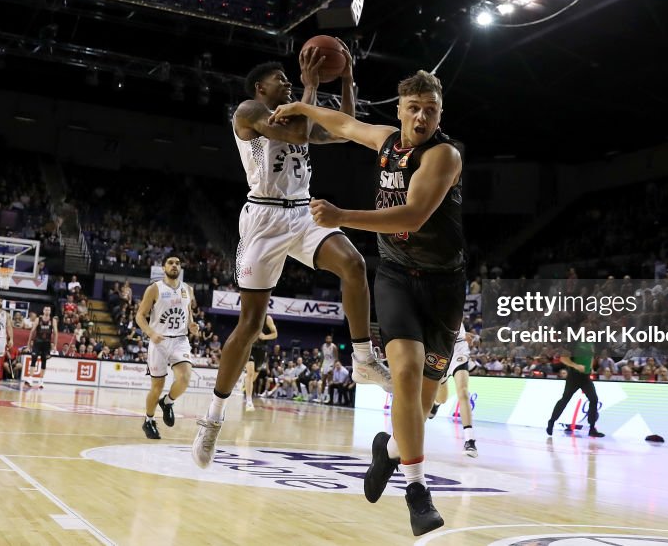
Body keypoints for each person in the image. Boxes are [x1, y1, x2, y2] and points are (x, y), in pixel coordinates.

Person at [269, 69, 464, 536]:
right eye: (413, 107)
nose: (421, 116)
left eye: (430, 109)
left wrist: (342, 217)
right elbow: (342, 125)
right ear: (399, 111)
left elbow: (414, 215)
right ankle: (417, 490)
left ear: (439, 113)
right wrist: (301, 107)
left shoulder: (444, 155)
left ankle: (390, 454)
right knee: (406, 371)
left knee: (423, 403)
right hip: (396, 275)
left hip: (444, 285)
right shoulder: (386, 141)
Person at [191, 41, 391, 468]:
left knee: (354, 264)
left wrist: (349, 79)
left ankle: (362, 360)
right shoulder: (248, 112)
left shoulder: (299, 110)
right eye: (278, 79)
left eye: (289, 78)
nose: (286, 81)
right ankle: (213, 418)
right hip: (263, 221)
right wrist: (311, 86)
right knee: (248, 325)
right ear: (260, 88)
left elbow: (345, 127)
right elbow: (299, 131)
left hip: (302, 213)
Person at [135, 257, 200, 439]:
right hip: (159, 342)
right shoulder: (154, 289)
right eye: (170, 263)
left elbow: (188, 313)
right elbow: (140, 316)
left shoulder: (188, 289)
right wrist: (150, 333)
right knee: (157, 386)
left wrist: (192, 325)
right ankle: (148, 421)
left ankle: (168, 402)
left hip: (180, 340)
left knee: (185, 377)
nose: (174, 265)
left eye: (178, 263)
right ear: (164, 267)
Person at [429, 322, 479, 457]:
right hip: (439, 350)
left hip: (458, 349)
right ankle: (436, 404)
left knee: (462, 391)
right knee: (442, 398)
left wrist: (464, 334)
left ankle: (470, 440)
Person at [545, 340, 605, 438]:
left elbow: (591, 357)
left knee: (594, 400)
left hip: (585, 378)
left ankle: (592, 428)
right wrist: (576, 366)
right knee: (565, 400)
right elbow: (563, 359)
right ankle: (552, 421)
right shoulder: (574, 343)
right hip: (574, 377)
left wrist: (590, 369)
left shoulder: (591, 344)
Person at [245, 314, 278, 411]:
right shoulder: (249, 315)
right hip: (250, 348)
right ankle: (249, 401)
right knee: (250, 374)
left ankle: (246, 382)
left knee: (253, 378)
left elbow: (275, 334)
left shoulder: (267, 318)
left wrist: (264, 337)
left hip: (261, 351)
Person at [26, 305, 58, 388]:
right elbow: (32, 331)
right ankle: (30, 378)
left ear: (50, 312)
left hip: (46, 343)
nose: (47, 311)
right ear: (43, 311)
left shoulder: (53, 320)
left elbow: (55, 333)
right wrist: (28, 344)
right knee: (34, 359)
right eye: (46, 309)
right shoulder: (38, 319)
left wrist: (55, 345)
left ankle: (41, 380)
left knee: (44, 361)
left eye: (49, 310)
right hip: (37, 342)